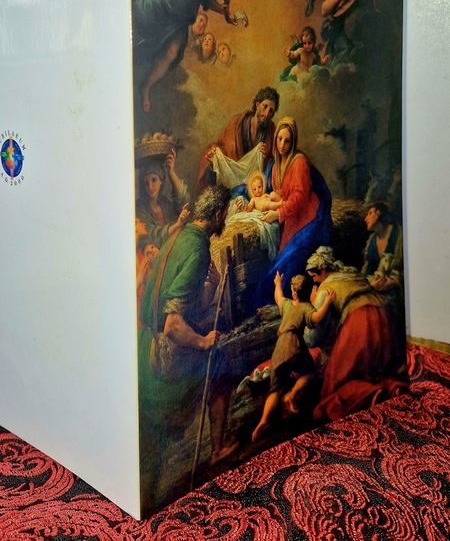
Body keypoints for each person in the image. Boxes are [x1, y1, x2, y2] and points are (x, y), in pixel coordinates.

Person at [138, 185, 237, 510]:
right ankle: (217, 451)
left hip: (145, 345)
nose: (224, 219)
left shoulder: (177, 237)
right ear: (218, 214)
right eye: (225, 214)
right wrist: (204, 341)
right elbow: (173, 325)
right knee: (221, 361)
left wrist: (210, 287)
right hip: (167, 355)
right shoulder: (197, 249)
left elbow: (181, 306)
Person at [134, 0, 252, 112]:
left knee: (172, 52)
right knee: (144, 16)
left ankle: (146, 86)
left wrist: (223, 10)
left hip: (180, 17)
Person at [305, 246, 407, 422]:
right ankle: (390, 388)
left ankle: (371, 393)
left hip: (361, 321)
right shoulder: (351, 274)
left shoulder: (325, 290)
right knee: (376, 369)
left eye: (314, 276)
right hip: (383, 315)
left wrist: (313, 305)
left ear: (322, 269)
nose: (314, 281)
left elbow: (313, 337)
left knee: (337, 379)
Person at [254, 116, 332, 307]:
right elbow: (283, 193)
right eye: (279, 139)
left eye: (287, 141)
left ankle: (287, 306)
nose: (282, 145)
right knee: (277, 269)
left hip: (308, 221)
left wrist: (278, 213)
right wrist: (273, 199)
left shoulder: (299, 162)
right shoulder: (275, 166)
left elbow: (299, 197)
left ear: (293, 141)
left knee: (285, 267)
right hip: (292, 220)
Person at [251, 272, 335, 442]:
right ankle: (292, 395)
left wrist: (277, 282)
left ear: (294, 293)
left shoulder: (287, 305)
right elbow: (317, 317)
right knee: (310, 372)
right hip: (294, 345)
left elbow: (278, 296)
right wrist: (327, 301)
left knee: (275, 389)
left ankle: (263, 420)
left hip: (279, 350)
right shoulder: (306, 308)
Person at [198, 86, 280, 187]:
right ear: (257, 104)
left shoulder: (271, 131)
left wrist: (266, 157)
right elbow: (223, 148)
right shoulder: (236, 123)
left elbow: (275, 158)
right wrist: (214, 156)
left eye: (271, 111)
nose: (266, 113)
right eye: (265, 106)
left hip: (255, 187)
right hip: (232, 182)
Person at [135, 148, 190, 248]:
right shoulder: (139, 208)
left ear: (161, 181)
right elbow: (153, 235)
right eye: (146, 183)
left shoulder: (166, 203)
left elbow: (184, 202)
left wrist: (171, 173)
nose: (150, 187)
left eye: (154, 180)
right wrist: (177, 225)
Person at [362, 202, 403, 293]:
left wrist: (395, 282)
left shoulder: (398, 235)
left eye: (370, 213)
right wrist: (370, 284)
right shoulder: (372, 240)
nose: (366, 219)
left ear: (378, 214)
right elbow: (368, 270)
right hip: (376, 291)